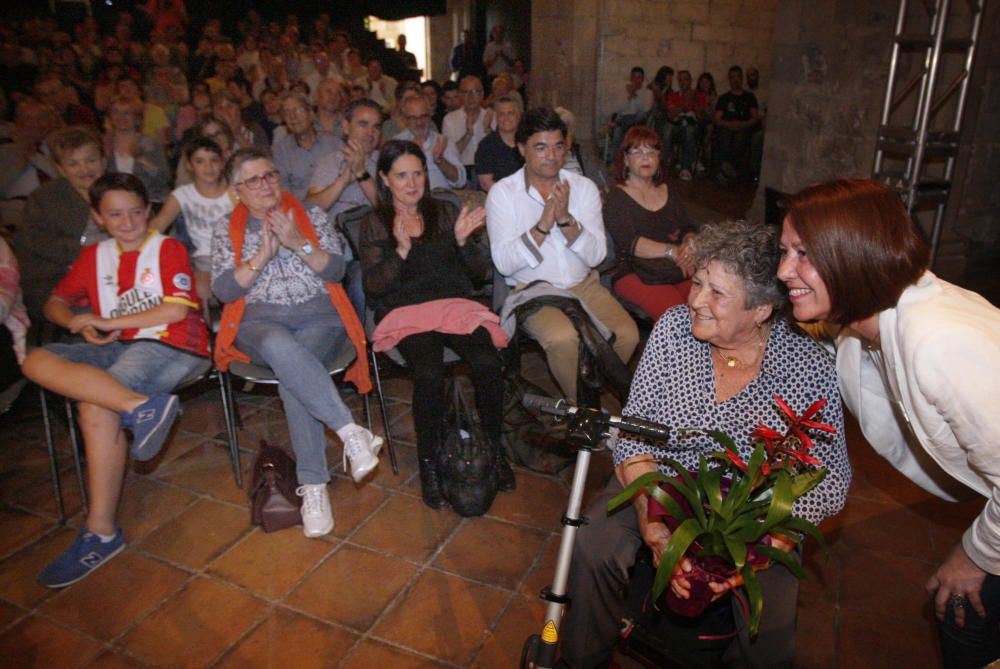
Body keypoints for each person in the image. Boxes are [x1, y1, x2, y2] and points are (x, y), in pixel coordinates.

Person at [561, 219, 851, 668]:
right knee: (593, 542)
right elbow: (634, 432)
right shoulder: (674, 330)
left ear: (760, 310)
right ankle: (580, 661)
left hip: (749, 510)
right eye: (697, 283)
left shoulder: (806, 365)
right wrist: (650, 522)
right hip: (662, 480)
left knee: (769, 630)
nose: (696, 300)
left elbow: (827, 481)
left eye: (717, 293)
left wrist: (753, 553)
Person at [778, 178, 1000, 668]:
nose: (783, 270)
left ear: (852, 254)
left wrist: (973, 554)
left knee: (961, 607)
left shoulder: (937, 342)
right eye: (783, 252)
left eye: (802, 254)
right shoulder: (868, 322)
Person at [21, 172, 211, 588]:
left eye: (135, 212)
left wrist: (105, 320)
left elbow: (175, 313)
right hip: (112, 344)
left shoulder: (167, 248)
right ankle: (140, 407)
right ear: (98, 217)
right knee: (35, 360)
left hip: (169, 342)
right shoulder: (94, 257)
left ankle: (101, 532)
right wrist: (74, 321)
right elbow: (54, 302)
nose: (127, 222)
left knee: (94, 405)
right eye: (115, 214)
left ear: (148, 212)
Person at [211, 147, 381, 538]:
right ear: (238, 190)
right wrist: (260, 257)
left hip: (320, 319)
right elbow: (223, 289)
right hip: (258, 326)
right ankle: (350, 433)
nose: (265, 185)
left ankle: (315, 486)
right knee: (278, 345)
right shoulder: (226, 228)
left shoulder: (311, 215)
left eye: (270, 175)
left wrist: (298, 241)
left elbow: (337, 270)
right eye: (253, 180)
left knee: (293, 376)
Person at [359, 140, 514, 508]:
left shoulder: (444, 212)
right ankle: (430, 463)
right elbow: (374, 286)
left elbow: (478, 275)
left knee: (489, 362)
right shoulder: (375, 222)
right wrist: (399, 252)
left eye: (417, 173)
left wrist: (462, 242)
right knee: (429, 374)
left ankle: (492, 449)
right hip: (406, 311)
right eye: (401, 176)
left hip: (452, 305)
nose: (412, 183)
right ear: (385, 179)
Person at [486, 108, 638, 402]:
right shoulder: (503, 193)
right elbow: (503, 263)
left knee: (627, 333)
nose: (552, 156)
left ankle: (587, 388)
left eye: (558, 147)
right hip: (533, 292)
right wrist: (543, 226)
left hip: (585, 286)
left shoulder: (583, 188)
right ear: (521, 149)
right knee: (563, 338)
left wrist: (566, 220)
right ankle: (584, 409)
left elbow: (596, 256)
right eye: (541, 147)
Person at [15, 126, 108, 324]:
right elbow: (36, 245)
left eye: (91, 160)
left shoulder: (119, 189)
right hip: (57, 279)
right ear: (60, 168)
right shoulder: (44, 198)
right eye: (73, 164)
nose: (84, 169)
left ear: (103, 160)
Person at [605, 125, 697, 320]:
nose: (646, 157)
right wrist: (673, 251)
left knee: (710, 307)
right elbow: (630, 243)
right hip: (634, 271)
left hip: (676, 267)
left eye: (651, 151)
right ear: (626, 159)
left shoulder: (668, 192)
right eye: (637, 151)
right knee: (678, 318)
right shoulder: (616, 198)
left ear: (659, 158)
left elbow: (688, 227)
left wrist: (689, 245)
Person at [151, 138, 234, 300]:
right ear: (189, 166)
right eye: (200, 161)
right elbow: (158, 225)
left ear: (223, 163)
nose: (208, 167)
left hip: (237, 256)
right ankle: (206, 324)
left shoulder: (235, 192)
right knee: (199, 287)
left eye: (214, 160)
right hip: (205, 260)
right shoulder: (182, 195)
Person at [104, 97, 170, 207]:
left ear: (137, 118)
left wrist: (142, 160)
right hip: (117, 205)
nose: (121, 117)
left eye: (126, 113)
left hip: (150, 202)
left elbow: (164, 178)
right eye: (116, 112)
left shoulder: (150, 143)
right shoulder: (104, 145)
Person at [271, 91, 338, 202]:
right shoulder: (281, 151)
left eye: (298, 110)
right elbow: (283, 193)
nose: (293, 117)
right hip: (301, 212)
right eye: (287, 113)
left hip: (335, 208)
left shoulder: (334, 144)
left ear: (311, 114)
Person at [394, 95, 465, 191]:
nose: (419, 123)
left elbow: (460, 181)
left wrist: (440, 161)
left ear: (431, 115)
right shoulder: (396, 144)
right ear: (405, 119)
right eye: (413, 118)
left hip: (440, 199)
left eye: (423, 116)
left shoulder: (443, 141)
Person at [442, 75, 493, 188]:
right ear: (460, 95)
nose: (470, 96)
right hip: (463, 172)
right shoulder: (450, 119)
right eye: (466, 92)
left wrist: (488, 130)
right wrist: (468, 134)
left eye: (475, 91)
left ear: (482, 94)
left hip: (488, 170)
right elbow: (450, 155)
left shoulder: (490, 116)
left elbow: (500, 150)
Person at [713, 65, 759, 185]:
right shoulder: (724, 98)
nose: (735, 80)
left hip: (744, 128)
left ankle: (725, 170)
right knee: (724, 135)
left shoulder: (750, 97)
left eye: (737, 77)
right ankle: (727, 170)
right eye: (732, 77)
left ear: (741, 78)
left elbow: (755, 117)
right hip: (727, 127)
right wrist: (728, 124)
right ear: (729, 79)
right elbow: (717, 118)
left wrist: (743, 124)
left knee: (740, 137)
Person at [475, 95, 523, 191]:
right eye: (501, 114)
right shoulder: (486, 145)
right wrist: (511, 198)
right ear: (496, 117)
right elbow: (486, 183)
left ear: (518, 116)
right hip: (497, 199)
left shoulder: (528, 142)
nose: (506, 118)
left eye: (510, 113)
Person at [664, 70, 706, 180]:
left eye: (686, 80)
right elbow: (671, 115)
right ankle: (667, 162)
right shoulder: (673, 96)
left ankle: (685, 168)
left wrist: (694, 104)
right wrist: (684, 105)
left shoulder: (699, 96)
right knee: (667, 129)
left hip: (693, 127)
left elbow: (702, 118)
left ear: (691, 81)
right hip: (677, 126)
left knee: (689, 130)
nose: (683, 83)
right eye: (681, 80)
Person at [607, 66, 653, 162]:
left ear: (643, 79)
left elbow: (645, 109)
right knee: (618, 132)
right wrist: (628, 97)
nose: (637, 80)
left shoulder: (648, 93)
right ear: (631, 79)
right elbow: (618, 109)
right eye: (634, 77)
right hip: (624, 119)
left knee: (641, 114)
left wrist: (635, 96)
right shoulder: (623, 91)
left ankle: (619, 123)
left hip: (638, 123)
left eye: (639, 77)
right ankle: (614, 163)